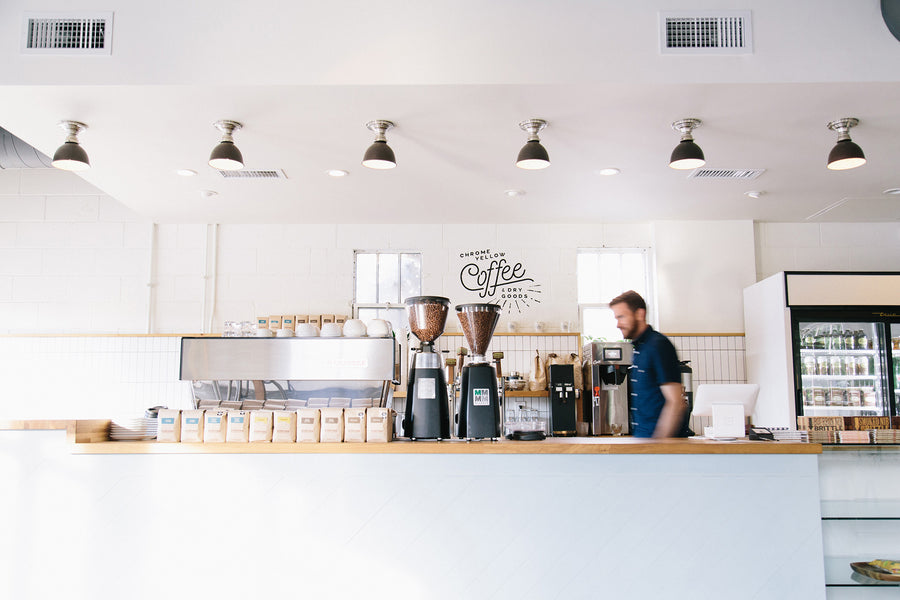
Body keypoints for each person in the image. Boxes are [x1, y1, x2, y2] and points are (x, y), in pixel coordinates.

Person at [609, 290, 687, 438]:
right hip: (643, 439)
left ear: (640, 314)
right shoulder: (639, 348)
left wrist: (658, 445)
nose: (618, 324)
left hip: (658, 444)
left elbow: (675, 402)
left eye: (621, 317)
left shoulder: (659, 346)